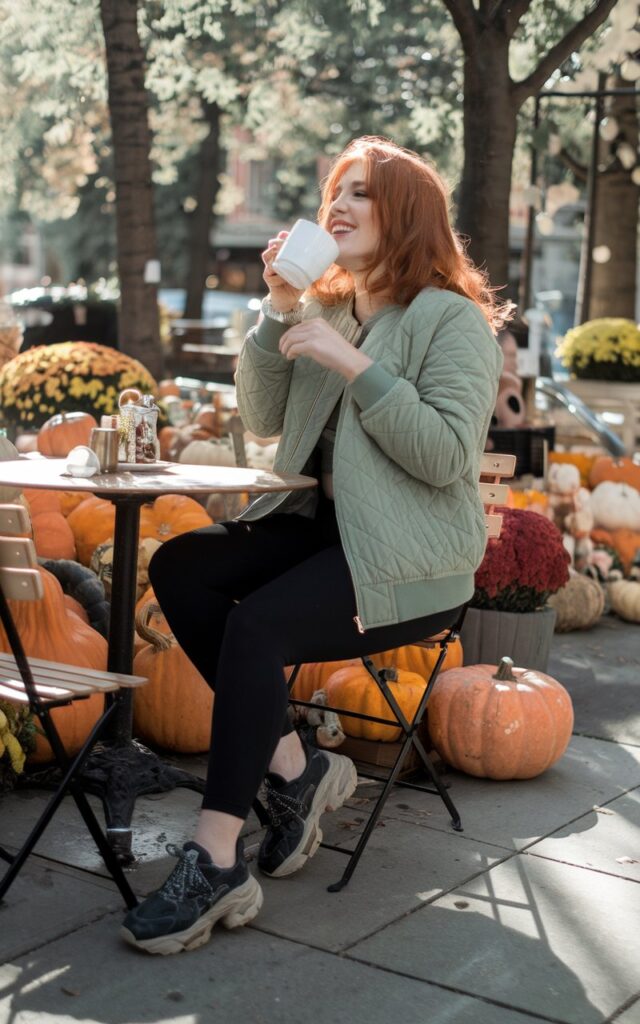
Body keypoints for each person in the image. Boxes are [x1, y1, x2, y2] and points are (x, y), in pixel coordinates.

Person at [121, 136, 507, 955]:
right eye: (336, 189)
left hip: (412, 565)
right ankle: (298, 771)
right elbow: (261, 418)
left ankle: (215, 856)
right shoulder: (326, 307)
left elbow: (444, 457)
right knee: (182, 566)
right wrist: (275, 308)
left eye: (360, 193)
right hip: (316, 536)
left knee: (257, 627)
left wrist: (356, 366)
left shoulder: (452, 320)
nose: (338, 204)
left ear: (404, 212)